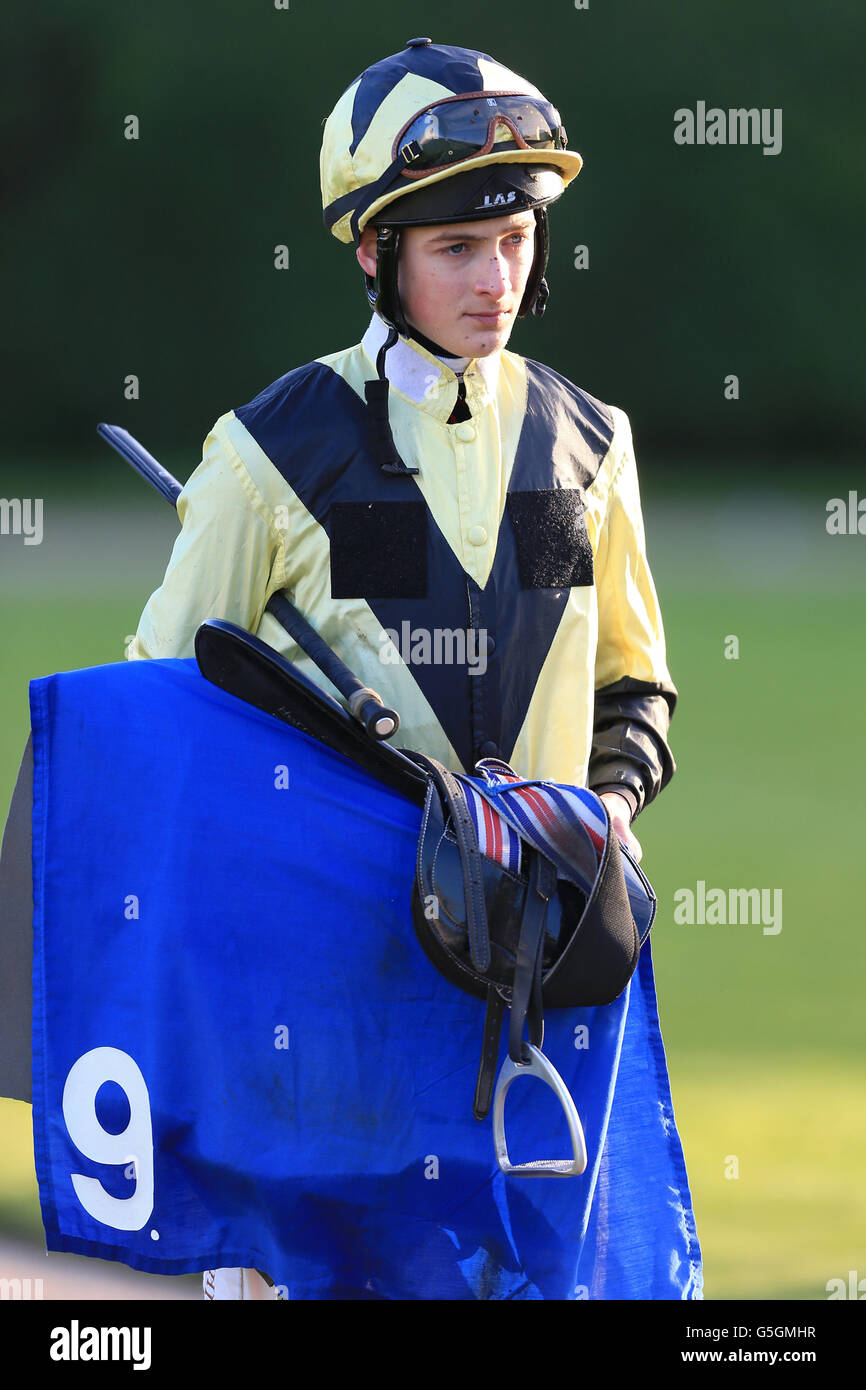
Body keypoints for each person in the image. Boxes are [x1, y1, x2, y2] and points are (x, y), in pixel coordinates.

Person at [126, 38, 679, 1300]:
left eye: (516, 240)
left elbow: (632, 691)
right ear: (374, 255)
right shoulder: (268, 449)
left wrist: (603, 810)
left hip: (542, 973)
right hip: (327, 996)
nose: (495, 278)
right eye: (456, 248)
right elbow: (163, 708)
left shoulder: (592, 444)